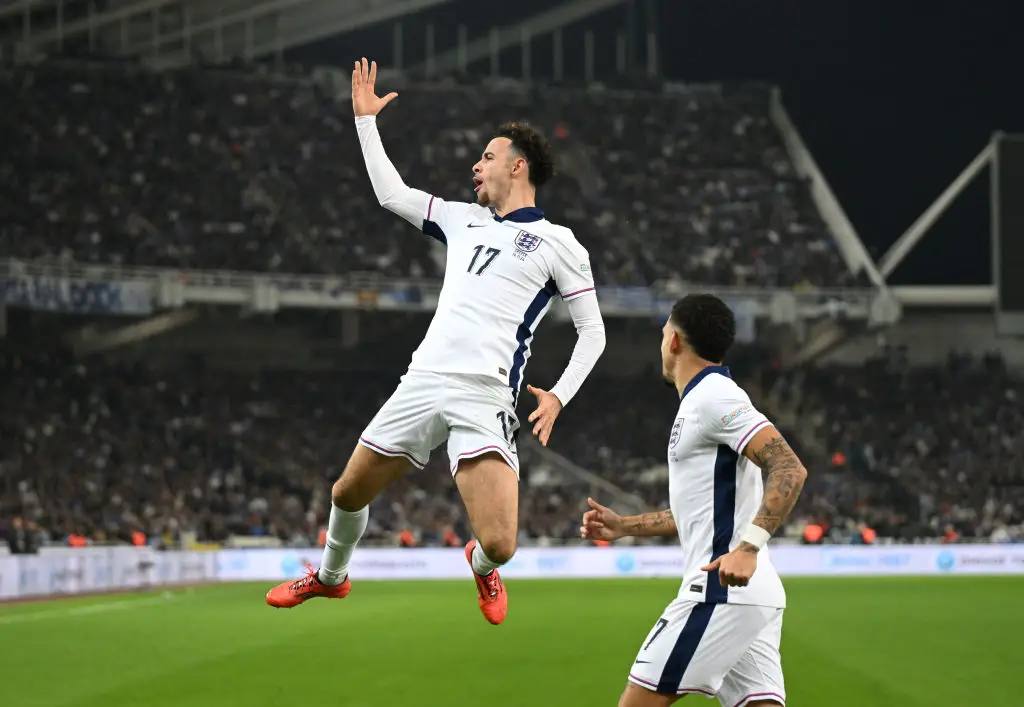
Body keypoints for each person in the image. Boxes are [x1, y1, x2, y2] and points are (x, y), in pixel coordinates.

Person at [266, 58, 607, 625]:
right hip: (423, 380)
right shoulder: (460, 219)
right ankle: (330, 577)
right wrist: (365, 122)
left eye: (487, 157)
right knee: (347, 493)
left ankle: (480, 565)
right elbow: (391, 194)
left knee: (500, 544)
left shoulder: (559, 244)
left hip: (486, 395)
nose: (476, 166)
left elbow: (593, 331)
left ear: (518, 166)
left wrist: (559, 395)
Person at [581, 294, 807, 706]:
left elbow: (789, 468)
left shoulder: (714, 398)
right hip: (746, 591)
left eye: (664, 330)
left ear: (675, 342)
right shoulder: (700, 403)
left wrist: (748, 547)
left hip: (721, 589)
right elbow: (700, 510)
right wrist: (625, 526)